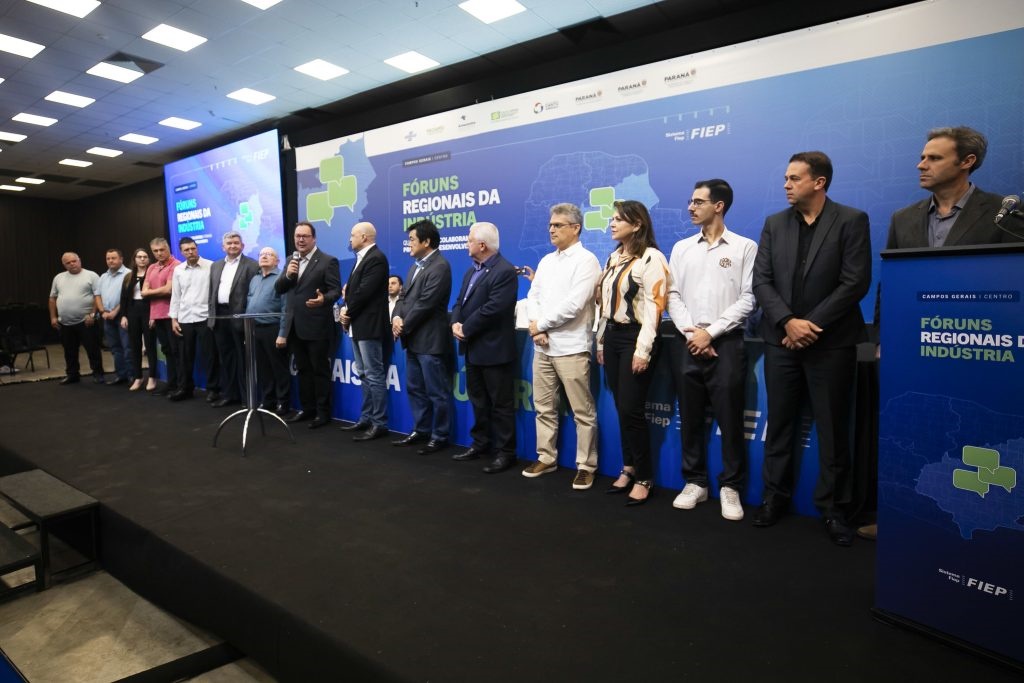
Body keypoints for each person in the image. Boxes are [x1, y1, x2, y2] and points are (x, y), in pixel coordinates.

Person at [751, 151, 871, 547]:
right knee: (779, 425)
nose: (786, 184)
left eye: (794, 178)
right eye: (786, 178)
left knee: (833, 429)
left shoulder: (851, 220)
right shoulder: (774, 223)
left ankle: (835, 509)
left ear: (819, 182)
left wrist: (809, 326)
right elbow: (761, 281)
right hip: (781, 341)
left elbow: (855, 282)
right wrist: (788, 321)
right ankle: (774, 498)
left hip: (831, 343)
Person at [666, 179, 756, 521]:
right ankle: (695, 482)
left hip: (727, 342)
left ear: (719, 206)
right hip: (686, 339)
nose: (691, 207)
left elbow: (749, 298)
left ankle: (730, 486)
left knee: (730, 419)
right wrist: (693, 332)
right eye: (691, 201)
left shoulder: (745, 247)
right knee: (689, 417)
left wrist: (711, 332)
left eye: (698, 201)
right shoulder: (681, 248)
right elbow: (672, 295)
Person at [520, 203, 601, 489]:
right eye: (550, 225)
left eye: (558, 225)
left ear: (576, 228)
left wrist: (541, 325)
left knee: (582, 412)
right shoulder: (546, 261)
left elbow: (575, 304)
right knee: (543, 408)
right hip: (542, 346)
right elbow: (533, 296)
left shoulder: (587, 260)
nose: (551, 230)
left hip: (572, 346)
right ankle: (546, 457)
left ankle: (586, 465)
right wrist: (537, 327)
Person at [596, 200, 670, 505]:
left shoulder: (651, 257)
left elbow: (655, 308)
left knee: (631, 409)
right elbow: (604, 305)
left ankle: (644, 476)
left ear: (637, 224)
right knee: (621, 407)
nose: (612, 223)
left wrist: (643, 350)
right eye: (612, 219)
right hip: (613, 338)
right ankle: (629, 467)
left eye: (619, 219)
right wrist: (601, 342)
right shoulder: (614, 257)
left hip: (636, 339)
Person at [450, 222, 519, 474]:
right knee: (478, 401)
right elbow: (459, 302)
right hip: (473, 348)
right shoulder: (471, 271)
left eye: (469, 240)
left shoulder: (505, 271)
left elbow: (494, 308)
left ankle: (505, 453)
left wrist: (466, 328)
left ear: (482, 245)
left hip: (494, 349)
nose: (466, 244)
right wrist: (455, 322)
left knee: (500, 405)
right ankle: (481, 444)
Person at [391, 220, 453, 454]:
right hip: (413, 339)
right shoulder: (414, 267)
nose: (409, 243)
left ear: (426, 242)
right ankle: (421, 429)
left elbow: (426, 303)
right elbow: (403, 298)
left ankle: (440, 435)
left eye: (412, 239)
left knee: (436, 392)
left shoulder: (440, 266)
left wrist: (403, 325)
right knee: (415, 389)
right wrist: (396, 317)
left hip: (430, 341)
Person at [275, 221, 341, 429]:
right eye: (297, 236)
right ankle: (307, 408)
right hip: (295, 326)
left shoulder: (328, 261)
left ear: (314, 238)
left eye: (305, 236)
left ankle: (323, 413)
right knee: (303, 370)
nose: (300, 240)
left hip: (317, 325)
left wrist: (324, 299)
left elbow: (335, 291)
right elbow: (279, 288)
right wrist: (288, 275)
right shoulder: (290, 260)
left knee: (319, 370)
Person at [338, 222, 391, 441]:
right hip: (358, 325)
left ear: (364, 237)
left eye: (353, 235)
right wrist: (347, 310)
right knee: (363, 374)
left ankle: (379, 423)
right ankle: (366, 418)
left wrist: (347, 312)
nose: (350, 239)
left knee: (374, 375)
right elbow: (352, 291)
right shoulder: (361, 258)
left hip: (369, 325)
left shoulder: (376, 258)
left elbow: (364, 293)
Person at [208, 231, 259, 407]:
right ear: (223, 247)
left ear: (242, 246)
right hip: (220, 316)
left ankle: (246, 398)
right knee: (226, 358)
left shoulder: (252, 265)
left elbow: (254, 293)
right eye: (229, 243)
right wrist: (211, 317)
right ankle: (230, 395)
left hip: (241, 317)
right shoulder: (215, 266)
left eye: (236, 243)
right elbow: (211, 292)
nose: (232, 246)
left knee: (243, 358)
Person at [168, 237, 214, 402]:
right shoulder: (178, 270)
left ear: (197, 248)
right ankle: (185, 389)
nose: (190, 252)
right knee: (185, 357)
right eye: (186, 250)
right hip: (185, 318)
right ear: (181, 252)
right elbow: (176, 295)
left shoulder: (211, 266)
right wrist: (174, 319)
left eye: (193, 248)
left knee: (210, 356)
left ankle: (213, 390)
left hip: (205, 318)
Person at [246, 247, 291, 415]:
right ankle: (268, 401)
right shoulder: (255, 279)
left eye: (269, 254)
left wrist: (282, 334)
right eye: (262, 254)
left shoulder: (281, 278)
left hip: (273, 329)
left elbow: (286, 308)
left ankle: (283, 403)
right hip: (254, 329)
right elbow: (249, 303)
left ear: (277, 261)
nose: (264, 256)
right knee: (263, 369)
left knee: (279, 368)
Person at [48, 252, 104, 384]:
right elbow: (52, 298)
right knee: (69, 351)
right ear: (64, 265)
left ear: (79, 260)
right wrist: (53, 317)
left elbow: (98, 296)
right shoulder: (58, 278)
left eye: (74, 261)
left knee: (93, 349)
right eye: (68, 263)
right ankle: (72, 374)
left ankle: (98, 373)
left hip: (86, 321)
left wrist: (92, 315)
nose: (72, 264)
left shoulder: (91, 275)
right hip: (65, 322)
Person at [142, 237, 180, 396]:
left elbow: (168, 290)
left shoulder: (176, 265)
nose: (159, 253)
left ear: (168, 248)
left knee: (176, 350)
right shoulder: (151, 267)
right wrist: (152, 292)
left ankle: (179, 385)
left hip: (172, 315)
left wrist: (150, 292)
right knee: (167, 350)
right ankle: (171, 384)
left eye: (162, 250)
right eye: (155, 251)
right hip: (157, 315)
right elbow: (143, 291)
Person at [119, 248, 158, 391]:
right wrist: (123, 315)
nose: (142, 259)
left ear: (148, 259)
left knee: (150, 346)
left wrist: (154, 315)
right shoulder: (128, 276)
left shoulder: (153, 274)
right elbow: (124, 298)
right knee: (134, 346)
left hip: (148, 311)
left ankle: (152, 377)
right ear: (134, 259)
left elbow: (156, 297)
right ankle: (138, 377)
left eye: (145, 257)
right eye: (139, 257)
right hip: (132, 312)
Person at [97, 248, 132, 385]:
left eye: (113, 258)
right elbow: (97, 295)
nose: (110, 261)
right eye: (108, 258)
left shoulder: (128, 274)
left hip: (123, 316)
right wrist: (102, 311)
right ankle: (121, 375)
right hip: (107, 317)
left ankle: (132, 376)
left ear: (121, 259)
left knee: (127, 347)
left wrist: (116, 311)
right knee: (115, 349)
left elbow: (128, 297)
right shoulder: (103, 276)